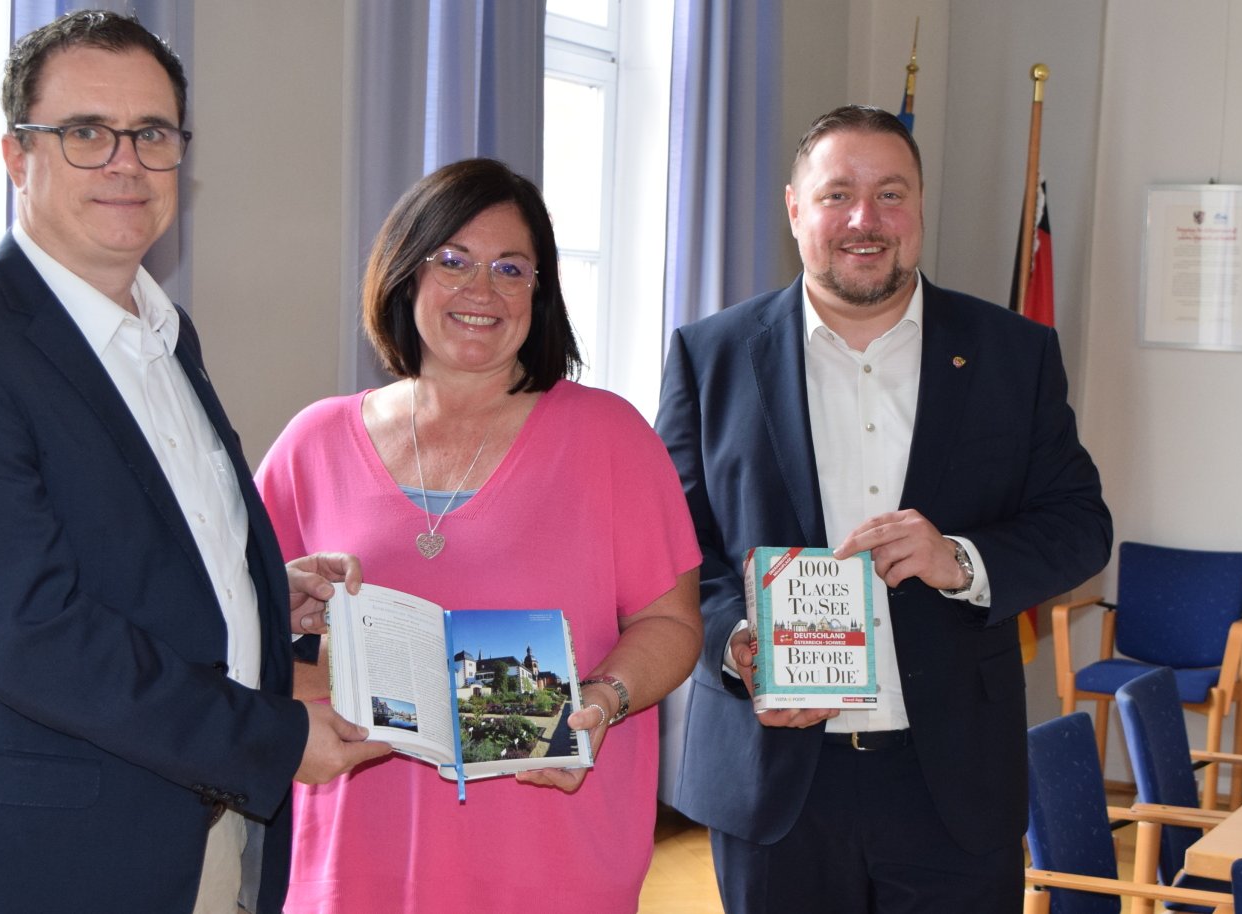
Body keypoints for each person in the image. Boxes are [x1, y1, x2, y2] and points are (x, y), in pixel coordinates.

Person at [0, 12, 391, 914]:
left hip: (195, 835)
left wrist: (255, 593)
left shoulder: (163, 335)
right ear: (18, 156)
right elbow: (25, 632)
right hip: (43, 861)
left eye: (152, 133)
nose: (125, 162)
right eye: (86, 133)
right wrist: (272, 737)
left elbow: (128, 546)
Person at [656, 104, 1113, 913]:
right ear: (796, 209)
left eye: (891, 194)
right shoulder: (711, 354)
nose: (865, 219)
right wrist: (737, 642)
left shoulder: (1013, 352)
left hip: (951, 785)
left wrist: (963, 561)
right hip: (775, 783)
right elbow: (672, 548)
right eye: (838, 195)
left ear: (921, 209)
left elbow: (1080, 524)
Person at [255, 156, 703, 913]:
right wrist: (302, 684)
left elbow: (670, 622)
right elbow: (243, 627)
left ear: (540, 290)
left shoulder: (610, 437)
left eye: (510, 268)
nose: (480, 290)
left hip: (552, 857)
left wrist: (599, 700)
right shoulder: (313, 442)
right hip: (360, 859)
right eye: (453, 261)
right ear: (404, 273)